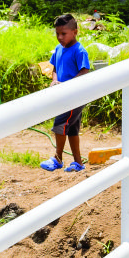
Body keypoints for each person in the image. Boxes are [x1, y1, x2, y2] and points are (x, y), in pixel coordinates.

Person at [41, 14, 91, 173]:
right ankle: (78, 162)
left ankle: (57, 158)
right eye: (57, 34)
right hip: (63, 96)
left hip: (74, 97)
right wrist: (55, 81)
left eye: (64, 34)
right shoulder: (58, 49)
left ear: (75, 32)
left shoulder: (79, 50)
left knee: (59, 124)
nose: (60, 37)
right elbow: (54, 67)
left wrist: (67, 85)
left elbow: (84, 71)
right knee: (72, 129)